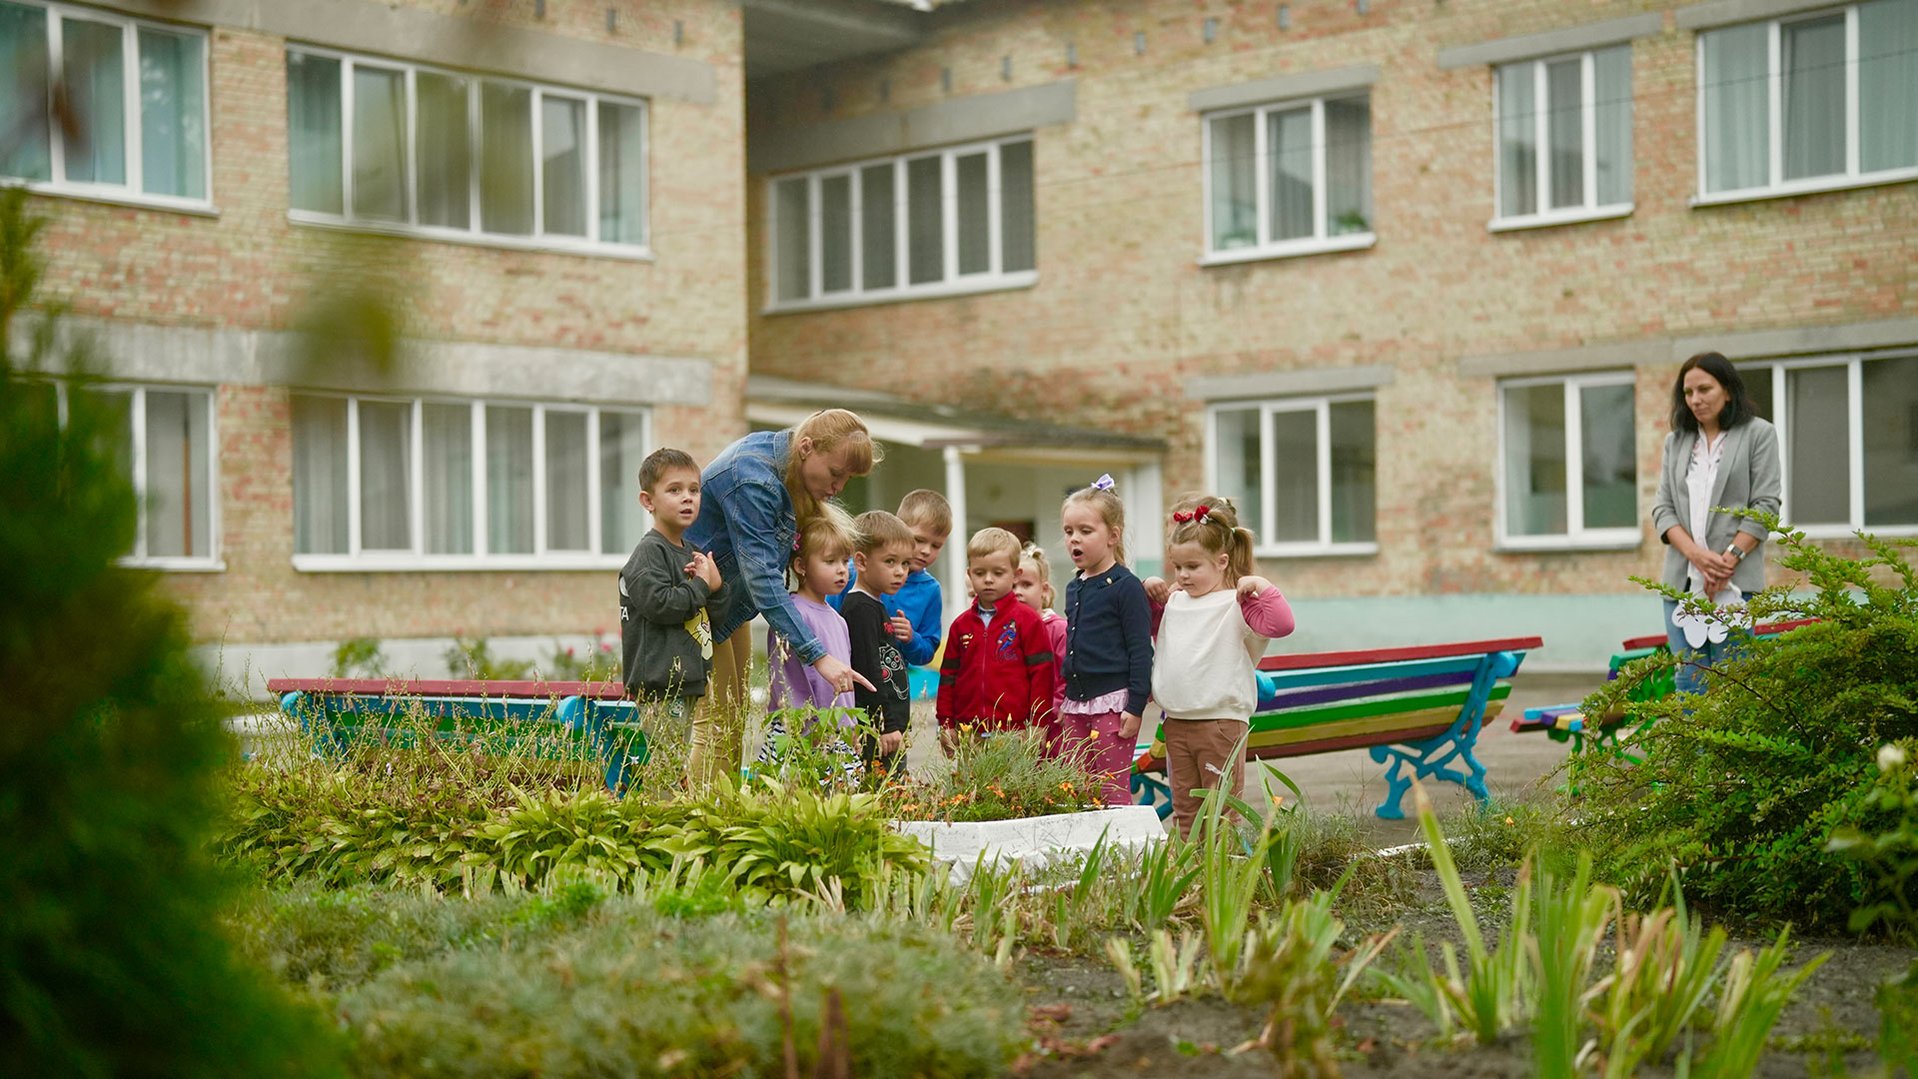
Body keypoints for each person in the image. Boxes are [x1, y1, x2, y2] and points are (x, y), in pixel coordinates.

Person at [682, 409, 880, 790]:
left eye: (847, 479)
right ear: (807, 448)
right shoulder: (753, 478)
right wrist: (817, 654)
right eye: (836, 473)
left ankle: (723, 811)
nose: (839, 486)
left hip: (727, 606)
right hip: (698, 606)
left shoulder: (791, 468)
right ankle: (698, 819)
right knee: (716, 721)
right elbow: (763, 579)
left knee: (733, 716)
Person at [1140, 497, 1295, 837]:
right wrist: (1150, 596)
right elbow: (1158, 634)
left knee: (1221, 812)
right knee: (1185, 812)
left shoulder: (1237, 604)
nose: (1183, 574)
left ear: (1222, 561)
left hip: (1220, 725)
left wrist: (1263, 587)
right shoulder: (1176, 601)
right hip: (1177, 723)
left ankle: (1221, 879)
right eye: (1177, 566)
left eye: (1193, 566)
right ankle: (1192, 879)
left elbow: (1281, 625)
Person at [1650, 351, 1782, 697]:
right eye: (1688, 392)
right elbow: (1663, 509)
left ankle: (1732, 754)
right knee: (1690, 683)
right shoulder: (1676, 442)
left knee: (1732, 685)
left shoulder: (1759, 434)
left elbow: (1765, 507)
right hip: (1682, 584)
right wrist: (1696, 555)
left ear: (1727, 389)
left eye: (1704, 389)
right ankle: (1695, 755)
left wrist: (1727, 561)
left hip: (1735, 584)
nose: (1695, 400)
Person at [617, 448, 724, 785]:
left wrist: (716, 587)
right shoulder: (650, 552)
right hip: (661, 682)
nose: (687, 498)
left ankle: (667, 819)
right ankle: (661, 826)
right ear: (648, 501)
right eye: (674, 490)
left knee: (672, 761)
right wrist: (701, 587)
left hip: (685, 680)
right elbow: (661, 605)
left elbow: (708, 615)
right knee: (665, 767)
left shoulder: (687, 550)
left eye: (694, 490)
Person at [1058, 475, 1154, 805]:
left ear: (1112, 536)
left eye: (1085, 531)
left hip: (1113, 703)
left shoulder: (1125, 586)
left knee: (1112, 791)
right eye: (1069, 532)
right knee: (1077, 790)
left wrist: (1136, 705)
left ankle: (1125, 855)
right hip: (1075, 702)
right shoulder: (1074, 587)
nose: (1074, 540)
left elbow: (1141, 649)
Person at [759, 504, 862, 776]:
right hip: (800, 729)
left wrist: (849, 725)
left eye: (845, 561)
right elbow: (784, 679)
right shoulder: (793, 616)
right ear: (801, 566)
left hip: (835, 729)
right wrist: (805, 726)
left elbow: (842, 681)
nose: (842, 570)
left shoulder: (838, 620)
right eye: (830, 562)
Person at [935, 526, 1056, 750]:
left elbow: (1043, 677)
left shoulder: (1028, 621)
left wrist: (1038, 725)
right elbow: (948, 678)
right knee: (972, 786)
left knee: (1015, 787)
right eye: (980, 573)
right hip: (969, 735)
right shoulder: (960, 626)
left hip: (1015, 735)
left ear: (1015, 574)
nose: (988, 580)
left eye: (998, 573)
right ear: (970, 574)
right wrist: (946, 723)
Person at [833, 489, 950, 671]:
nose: (926, 550)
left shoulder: (930, 590)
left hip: (893, 685)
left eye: (936, 545)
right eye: (919, 540)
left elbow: (927, 653)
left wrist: (912, 638)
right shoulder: (853, 571)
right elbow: (828, 620)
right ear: (900, 528)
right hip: (846, 675)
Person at [844, 510, 916, 776]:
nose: (900, 572)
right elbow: (868, 672)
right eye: (890, 562)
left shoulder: (875, 605)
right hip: (879, 732)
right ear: (861, 562)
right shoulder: (859, 609)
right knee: (882, 795)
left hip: (891, 730)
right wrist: (884, 725)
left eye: (905, 564)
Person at [1012, 541, 1068, 745]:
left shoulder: (1058, 629)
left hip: (1053, 727)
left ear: (1043, 590)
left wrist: (1050, 712)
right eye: (1012, 586)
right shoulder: (1005, 632)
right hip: (1015, 727)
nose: (1017, 592)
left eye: (1026, 585)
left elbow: (1066, 675)